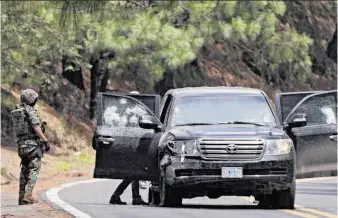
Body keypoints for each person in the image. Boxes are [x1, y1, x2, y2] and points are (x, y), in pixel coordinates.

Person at [11, 89, 50, 205]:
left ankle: (21, 197)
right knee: (34, 167)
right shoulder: (30, 111)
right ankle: (28, 194)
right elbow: (36, 127)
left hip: (21, 145)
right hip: (32, 144)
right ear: (32, 100)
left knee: (24, 169)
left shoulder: (18, 111)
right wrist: (45, 140)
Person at [109, 90, 147, 205]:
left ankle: (123, 195)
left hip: (132, 144)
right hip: (131, 145)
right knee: (134, 172)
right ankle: (129, 196)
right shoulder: (131, 113)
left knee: (133, 172)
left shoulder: (127, 112)